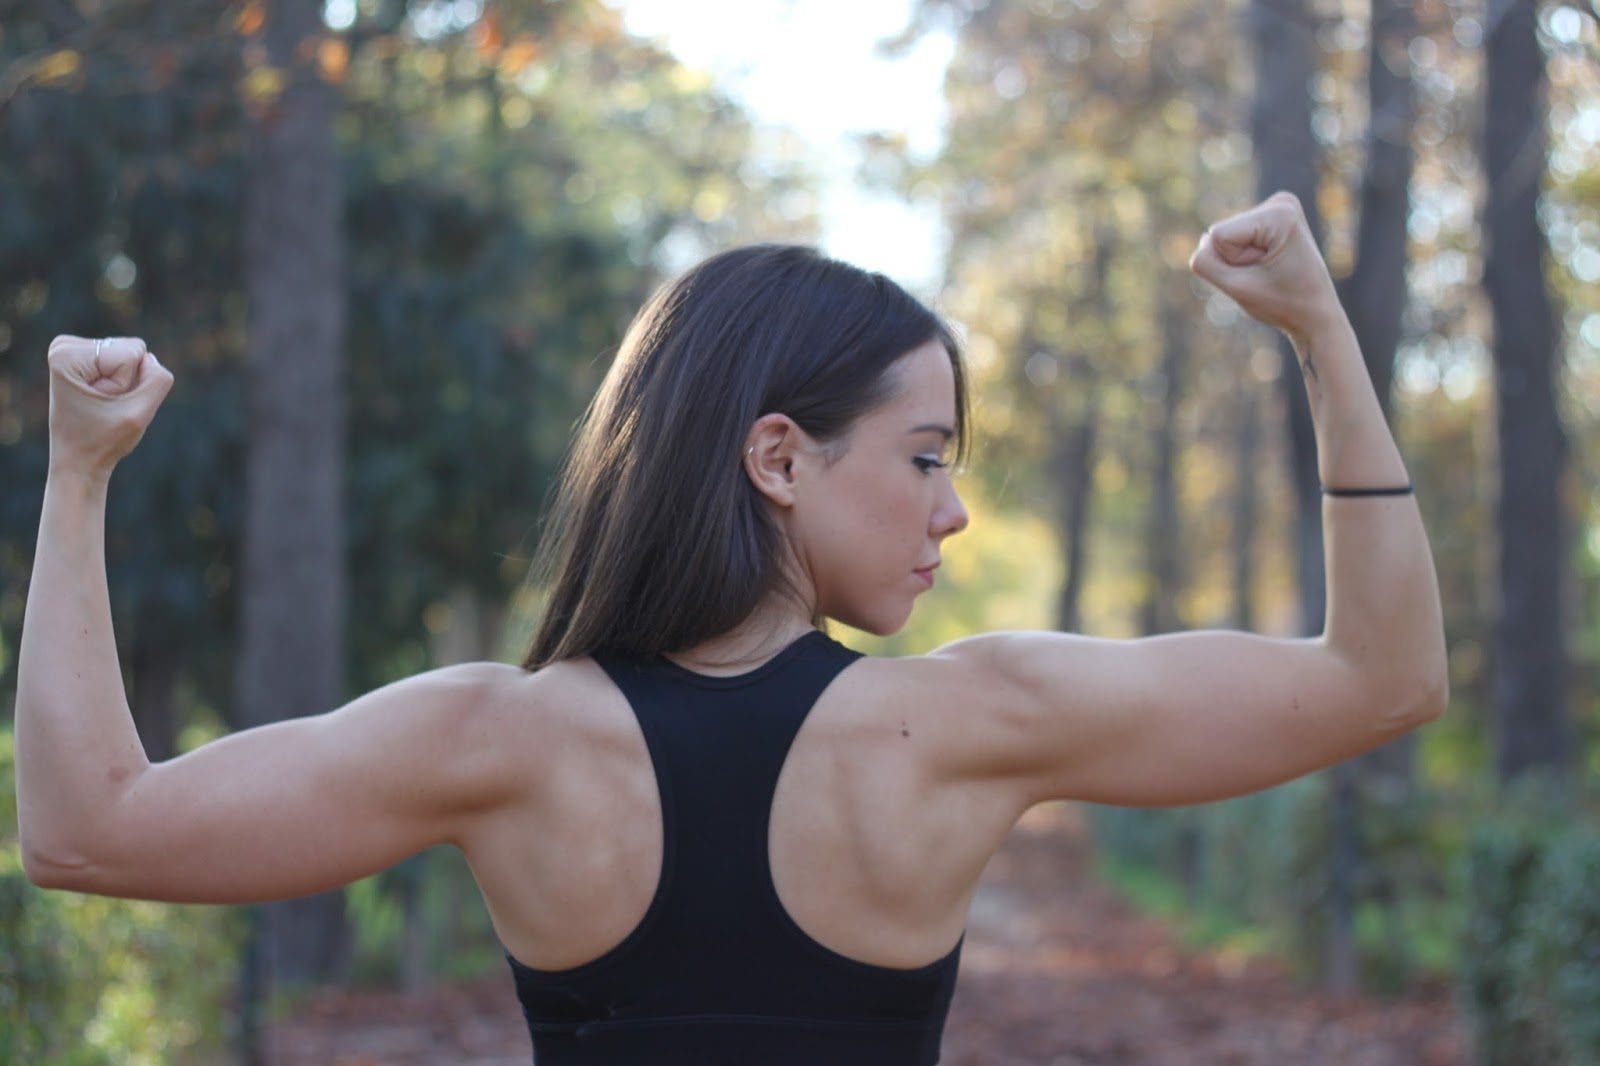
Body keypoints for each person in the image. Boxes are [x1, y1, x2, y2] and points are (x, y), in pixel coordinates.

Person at [16, 190, 1447, 1065]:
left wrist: (80, 473)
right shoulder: (965, 723)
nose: (950, 511)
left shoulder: (497, 736)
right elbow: (1383, 681)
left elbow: (89, 830)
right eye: (928, 455)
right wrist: (1320, 333)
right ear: (779, 456)